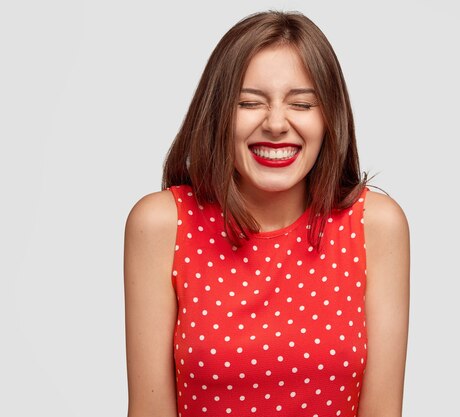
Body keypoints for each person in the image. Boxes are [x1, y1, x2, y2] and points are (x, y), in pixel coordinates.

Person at [123, 10, 410, 417]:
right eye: (249, 103)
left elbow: (382, 411)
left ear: (330, 117)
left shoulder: (376, 226)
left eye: (302, 104)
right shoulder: (161, 224)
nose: (276, 124)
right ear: (219, 114)